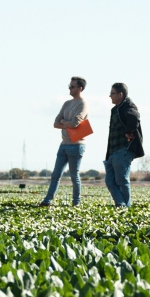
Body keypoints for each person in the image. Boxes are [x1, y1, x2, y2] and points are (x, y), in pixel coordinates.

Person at [41, 76, 89, 207]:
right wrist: (65, 123)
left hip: (77, 144)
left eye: (72, 86)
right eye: (69, 86)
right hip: (64, 144)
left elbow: (75, 123)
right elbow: (56, 122)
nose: (70, 88)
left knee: (74, 176)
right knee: (55, 174)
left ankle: (76, 202)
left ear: (80, 88)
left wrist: (64, 122)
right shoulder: (67, 103)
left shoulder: (83, 104)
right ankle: (47, 200)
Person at [104, 82, 144, 207]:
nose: (110, 96)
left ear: (120, 94)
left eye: (112, 93)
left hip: (123, 149)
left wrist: (129, 131)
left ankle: (124, 208)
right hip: (112, 150)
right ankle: (121, 205)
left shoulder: (128, 106)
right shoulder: (115, 109)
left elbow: (134, 116)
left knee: (121, 181)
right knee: (110, 181)